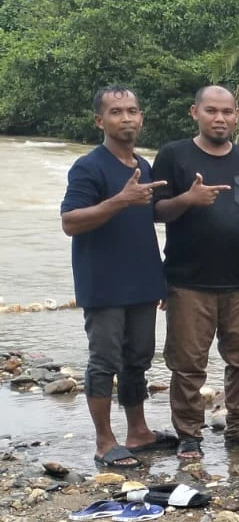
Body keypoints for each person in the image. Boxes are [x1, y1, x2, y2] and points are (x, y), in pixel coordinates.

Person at [151, 85, 239, 458]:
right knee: (187, 364)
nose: (219, 118)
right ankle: (189, 434)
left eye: (226, 112)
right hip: (188, 280)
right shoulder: (174, 155)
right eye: (211, 111)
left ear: (237, 116)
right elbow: (154, 211)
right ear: (195, 112)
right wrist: (188, 199)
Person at [59, 86, 171, 469]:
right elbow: (70, 222)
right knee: (104, 360)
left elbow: (149, 217)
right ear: (99, 121)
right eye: (116, 112)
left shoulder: (144, 165)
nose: (126, 118)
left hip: (142, 280)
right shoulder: (88, 167)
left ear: (142, 118)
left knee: (138, 359)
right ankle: (104, 441)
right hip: (103, 283)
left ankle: (138, 432)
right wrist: (118, 201)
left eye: (132, 111)